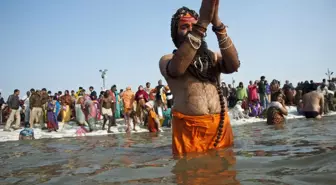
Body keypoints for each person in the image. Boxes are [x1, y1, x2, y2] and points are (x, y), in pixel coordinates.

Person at [158, 1, 240, 155]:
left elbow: (234, 65)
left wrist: (217, 23)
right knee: (192, 176)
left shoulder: (212, 57)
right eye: (184, 27)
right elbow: (178, 69)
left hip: (220, 129)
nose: (191, 30)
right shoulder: (167, 60)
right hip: (189, 133)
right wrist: (201, 23)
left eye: (193, 26)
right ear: (175, 34)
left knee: (226, 176)